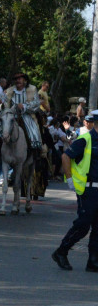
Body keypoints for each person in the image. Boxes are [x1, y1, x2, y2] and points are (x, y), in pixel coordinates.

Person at [53, 110, 98, 271]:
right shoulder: (86, 139)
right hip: (87, 189)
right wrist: (70, 179)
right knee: (83, 224)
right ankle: (61, 251)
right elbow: (66, 156)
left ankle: (93, 261)